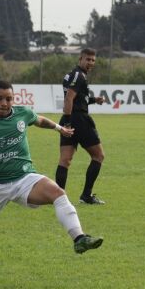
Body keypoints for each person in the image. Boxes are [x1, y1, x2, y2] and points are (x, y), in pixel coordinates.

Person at [0, 80, 103, 274]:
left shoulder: (23, 113)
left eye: (8, 99)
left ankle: (79, 238)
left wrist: (59, 128)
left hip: (25, 178)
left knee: (57, 192)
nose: (4, 103)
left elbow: (39, 120)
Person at [54, 48, 108, 205]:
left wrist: (93, 100)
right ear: (80, 59)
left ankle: (58, 197)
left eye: (93, 60)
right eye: (88, 59)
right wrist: (70, 121)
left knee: (65, 160)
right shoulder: (79, 75)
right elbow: (69, 98)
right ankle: (86, 195)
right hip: (79, 120)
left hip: (68, 118)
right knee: (99, 156)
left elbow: (77, 98)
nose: (91, 63)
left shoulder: (73, 74)